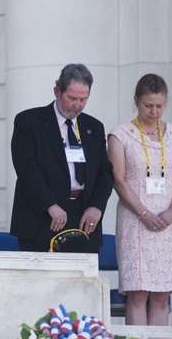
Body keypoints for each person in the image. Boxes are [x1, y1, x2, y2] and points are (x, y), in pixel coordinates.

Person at [108, 73, 172, 326]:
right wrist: (144, 213)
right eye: (148, 106)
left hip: (169, 221)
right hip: (136, 220)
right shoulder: (120, 134)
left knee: (161, 295)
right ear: (136, 101)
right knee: (138, 293)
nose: (154, 111)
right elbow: (118, 180)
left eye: (159, 105)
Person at [10, 63, 114, 253]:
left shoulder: (94, 127)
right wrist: (50, 205)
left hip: (84, 219)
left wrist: (97, 207)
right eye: (72, 98)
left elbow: (105, 172)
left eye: (83, 99)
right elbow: (27, 169)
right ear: (57, 91)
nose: (77, 105)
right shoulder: (29, 122)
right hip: (42, 218)